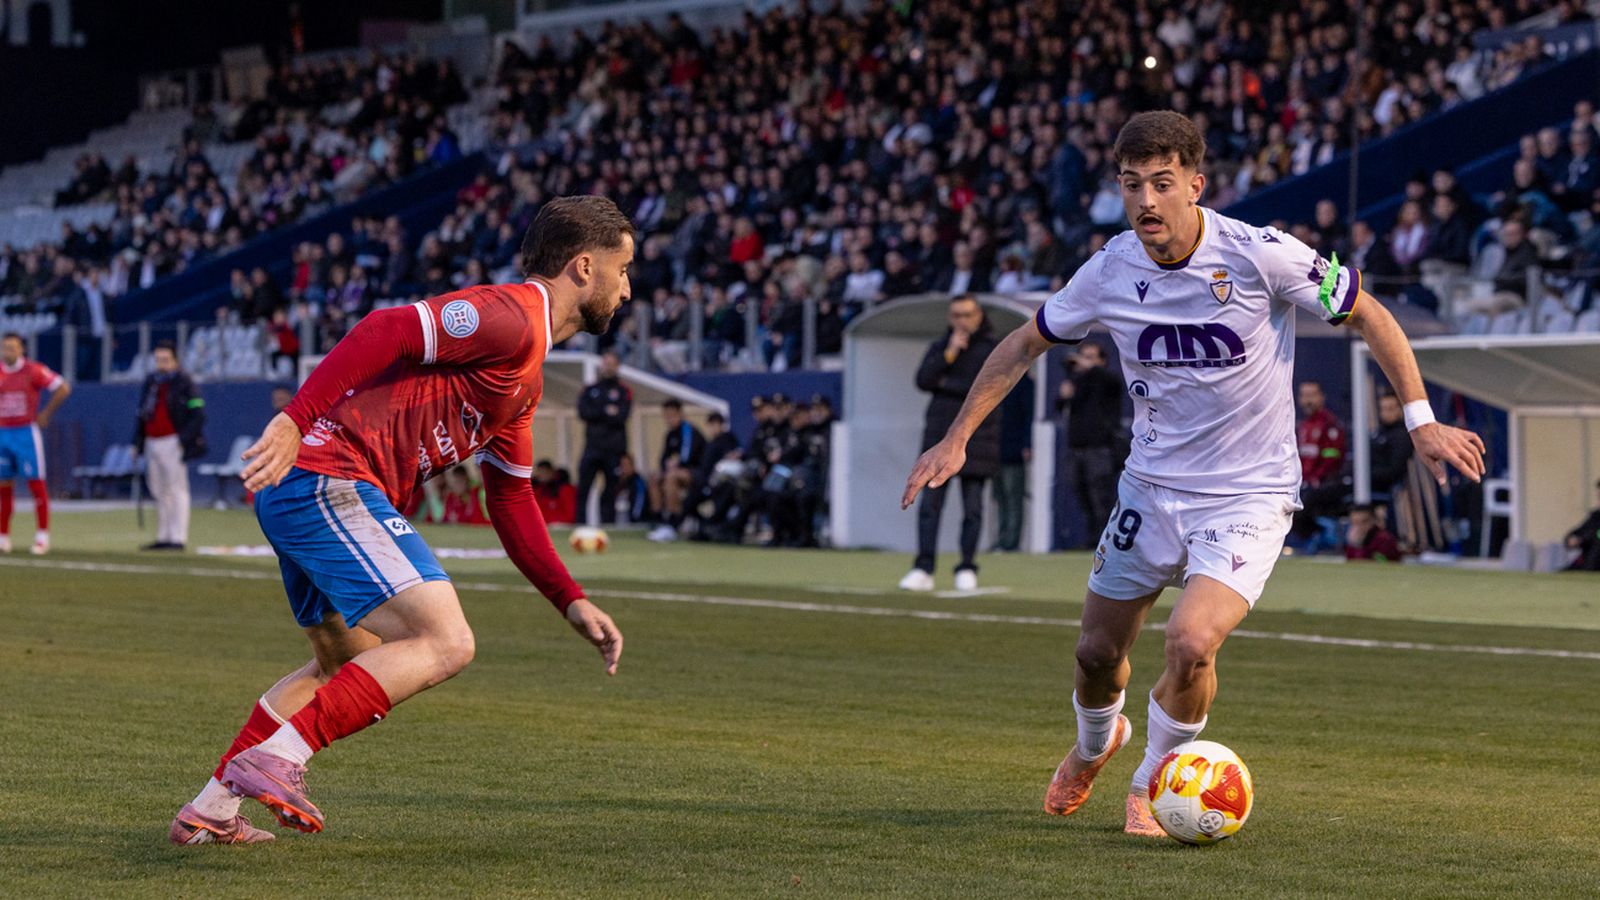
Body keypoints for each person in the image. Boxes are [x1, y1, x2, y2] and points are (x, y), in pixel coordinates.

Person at [901, 111, 1485, 837]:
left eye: (1162, 184)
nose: (1146, 201)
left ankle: (1153, 782)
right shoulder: (1110, 267)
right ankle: (1095, 743)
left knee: (1190, 641)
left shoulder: (1259, 255)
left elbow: (1370, 314)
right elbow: (1023, 343)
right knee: (1095, 654)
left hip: (1249, 495)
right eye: (1131, 185)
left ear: (1196, 185)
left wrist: (1421, 418)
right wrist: (957, 437)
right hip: (1149, 488)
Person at [168, 195, 629, 845]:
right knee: (447, 640)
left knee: (344, 663)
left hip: (307, 490)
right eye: (623, 267)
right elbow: (386, 329)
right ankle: (282, 756)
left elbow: (512, 500)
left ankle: (212, 807)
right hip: (327, 478)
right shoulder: (513, 317)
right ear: (584, 267)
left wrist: (570, 599)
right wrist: (294, 420)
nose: (628, 286)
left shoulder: (523, 375)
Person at [900, 294, 1000, 593]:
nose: (962, 321)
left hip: (978, 438)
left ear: (978, 315)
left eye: (967, 314)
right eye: (956, 315)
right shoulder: (941, 347)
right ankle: (923, 567)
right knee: (930, 505)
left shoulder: (991, 349)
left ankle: (967, 566)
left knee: (973, 508)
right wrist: (949, 355)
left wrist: (946, 386)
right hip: (937, 437)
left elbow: (985, 389)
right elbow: (923, 380)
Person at [132, 341, 208, 551]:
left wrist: (183, 439)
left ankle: (178, 537)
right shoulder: (152, 381)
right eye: (158, 360)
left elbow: (198, 411)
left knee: (176, 490)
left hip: (172, 440)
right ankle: (163, 535)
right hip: (151, 440)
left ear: (175, 360)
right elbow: (142, 413)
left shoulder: (184, 382)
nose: (161, 364)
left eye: (165, 360)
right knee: (158, 489)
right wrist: (137, 442)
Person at [0, 332, 71, 555]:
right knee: (3, 486)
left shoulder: (33, 370)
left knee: (36, 484)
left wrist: (46, 414)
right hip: (3, 432)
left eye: (12, 348)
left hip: (25, 433)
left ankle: (42, 536)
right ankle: (3, 536)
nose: (7, 352)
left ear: (21, 349)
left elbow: (62, 387)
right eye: (4, 348)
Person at [1059, 340, 1126, 549]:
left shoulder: (1108, 382)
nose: (1083, 362)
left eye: (1090, 357)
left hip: (1100, 449)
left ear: (1102, 361)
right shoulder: (1077, 383)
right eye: (1082, 356)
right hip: (1077, 448)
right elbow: (1061, 405)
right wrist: (1064, 396)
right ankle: (1091, 540)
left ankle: (1105, 543)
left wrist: (1088, 367)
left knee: (1101, 498)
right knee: (1082, 494)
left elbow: (1113, 382)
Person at [575, 351, 631, 525]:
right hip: (592, 447)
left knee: (610, 490)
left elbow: (622, 416)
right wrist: (607, 411)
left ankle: (608, 525)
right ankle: (580, 524)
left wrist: (599, 412)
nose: (608, 367)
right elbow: (583, 413)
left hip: (613, 449)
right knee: (583, 488)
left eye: (611, 363)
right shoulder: (590, 389)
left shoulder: (624, 391)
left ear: (617, 366)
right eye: (606, 363)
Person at [1293, 381, 1349, 552]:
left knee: (1304, 502)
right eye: (1304, 395)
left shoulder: (1330, 425)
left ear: (1321, 397)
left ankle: (1320, 539)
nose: (1308, 400)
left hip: (1327, 484)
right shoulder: (1300, 426)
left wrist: (1315, 479)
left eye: (1312, 395)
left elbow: (1332, 458)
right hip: (1302, 483)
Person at [647, 399, 705, 542]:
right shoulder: (670, 435)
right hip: (678, 472)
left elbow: (686, 457)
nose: (669, 419)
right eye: (666, 416)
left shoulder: (688, 430)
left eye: (672, 415)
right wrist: (663, 468)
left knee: (671, 477)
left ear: (680, 413)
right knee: (654, 478)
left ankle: (672, 524)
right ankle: (659, 521)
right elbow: (663, 458)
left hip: (696, 473)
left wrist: (675, 463)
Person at [992, 373, 1034, 552]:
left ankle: (1011, 542)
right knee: (999, 496)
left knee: (1013, 497)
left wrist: (1027, 444)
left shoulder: (1025, 384)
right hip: (996, 450)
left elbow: (1029, 415)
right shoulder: (997, 382)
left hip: (1014, 450)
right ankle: (1002, 538)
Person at [1369, 391, 1413, 499]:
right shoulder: (1377, 432)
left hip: (1381, 486)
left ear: (1400, 409)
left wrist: (1365, 475)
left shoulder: (1402, 436)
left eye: (1389, 409)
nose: (1385, 413)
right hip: (1363, 481)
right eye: (1382, 409)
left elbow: (1394, 470)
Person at [1564, 480, 1600, 572]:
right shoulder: (1595, 517)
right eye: (1598, 496)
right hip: (1587, 567)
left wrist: (1586, 538)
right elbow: (1578, 533)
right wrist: (1573, 539)